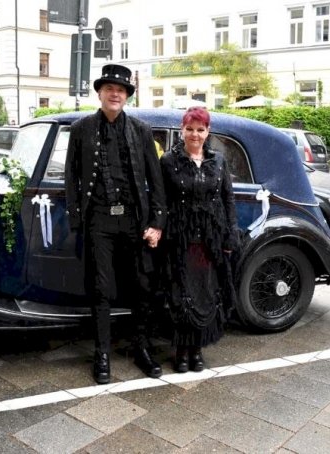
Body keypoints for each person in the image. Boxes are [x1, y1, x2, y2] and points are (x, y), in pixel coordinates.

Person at [65, 63, 167, 384]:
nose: (115, 93)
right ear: (100, 93)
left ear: (126, 97)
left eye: (120, 90)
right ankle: (103, 354)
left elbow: (156, 180)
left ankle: (141, 348)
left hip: (134, 220)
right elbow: (71, 177)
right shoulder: (82, 129)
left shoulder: (141, 130)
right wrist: (76, 219)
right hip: (99, 220)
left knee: (141, 285)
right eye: (109, 88)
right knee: (101, 288)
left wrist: (157, 222)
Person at [159, 107, 240, 373]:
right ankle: (181, 350)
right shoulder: (169, 161)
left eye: (200, 129)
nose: (195, 134)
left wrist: (231, 231)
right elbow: (160, 199)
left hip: (210, 238)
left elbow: (228, 197)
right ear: (182, 130)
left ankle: (197, 349)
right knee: (182, 292)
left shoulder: (218, 161)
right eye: (190, 129)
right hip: (180, 237)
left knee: (205, 292)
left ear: (208, 132)